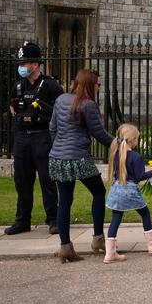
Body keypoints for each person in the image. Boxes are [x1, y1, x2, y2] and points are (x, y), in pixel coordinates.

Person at [48, 68, 114, 263]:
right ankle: (98, 239)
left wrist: (59, 148)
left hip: (57, 158)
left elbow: (52, 128)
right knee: (99, 193)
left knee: (65, 201)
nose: (100, 87)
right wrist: (121, 143)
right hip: (78, 158)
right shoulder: (88, 105)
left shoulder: (61, 99)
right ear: (90, 84)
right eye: (98, 84)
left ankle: (65, 246)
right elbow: (100, 134)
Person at [6, 41, 64, 235]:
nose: (21, 67)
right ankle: (22, 220)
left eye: (25, 63)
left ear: (36, 64)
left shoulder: (50, 85)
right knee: (22, 181)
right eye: (20, 64)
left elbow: (61, 110)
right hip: (23, 138)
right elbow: (13, 109)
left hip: (42, 137)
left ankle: (53, 219)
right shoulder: (18, 86)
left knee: (47, 180)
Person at [104, 123, 152, 263]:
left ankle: (110, 253)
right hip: (130, 191)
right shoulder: (136, 157)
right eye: (137, 138)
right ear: (132, 139)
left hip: (116, 190)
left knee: (116, 218)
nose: (138, 141)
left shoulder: (115, 154)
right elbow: (139, 176)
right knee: (145, 213)